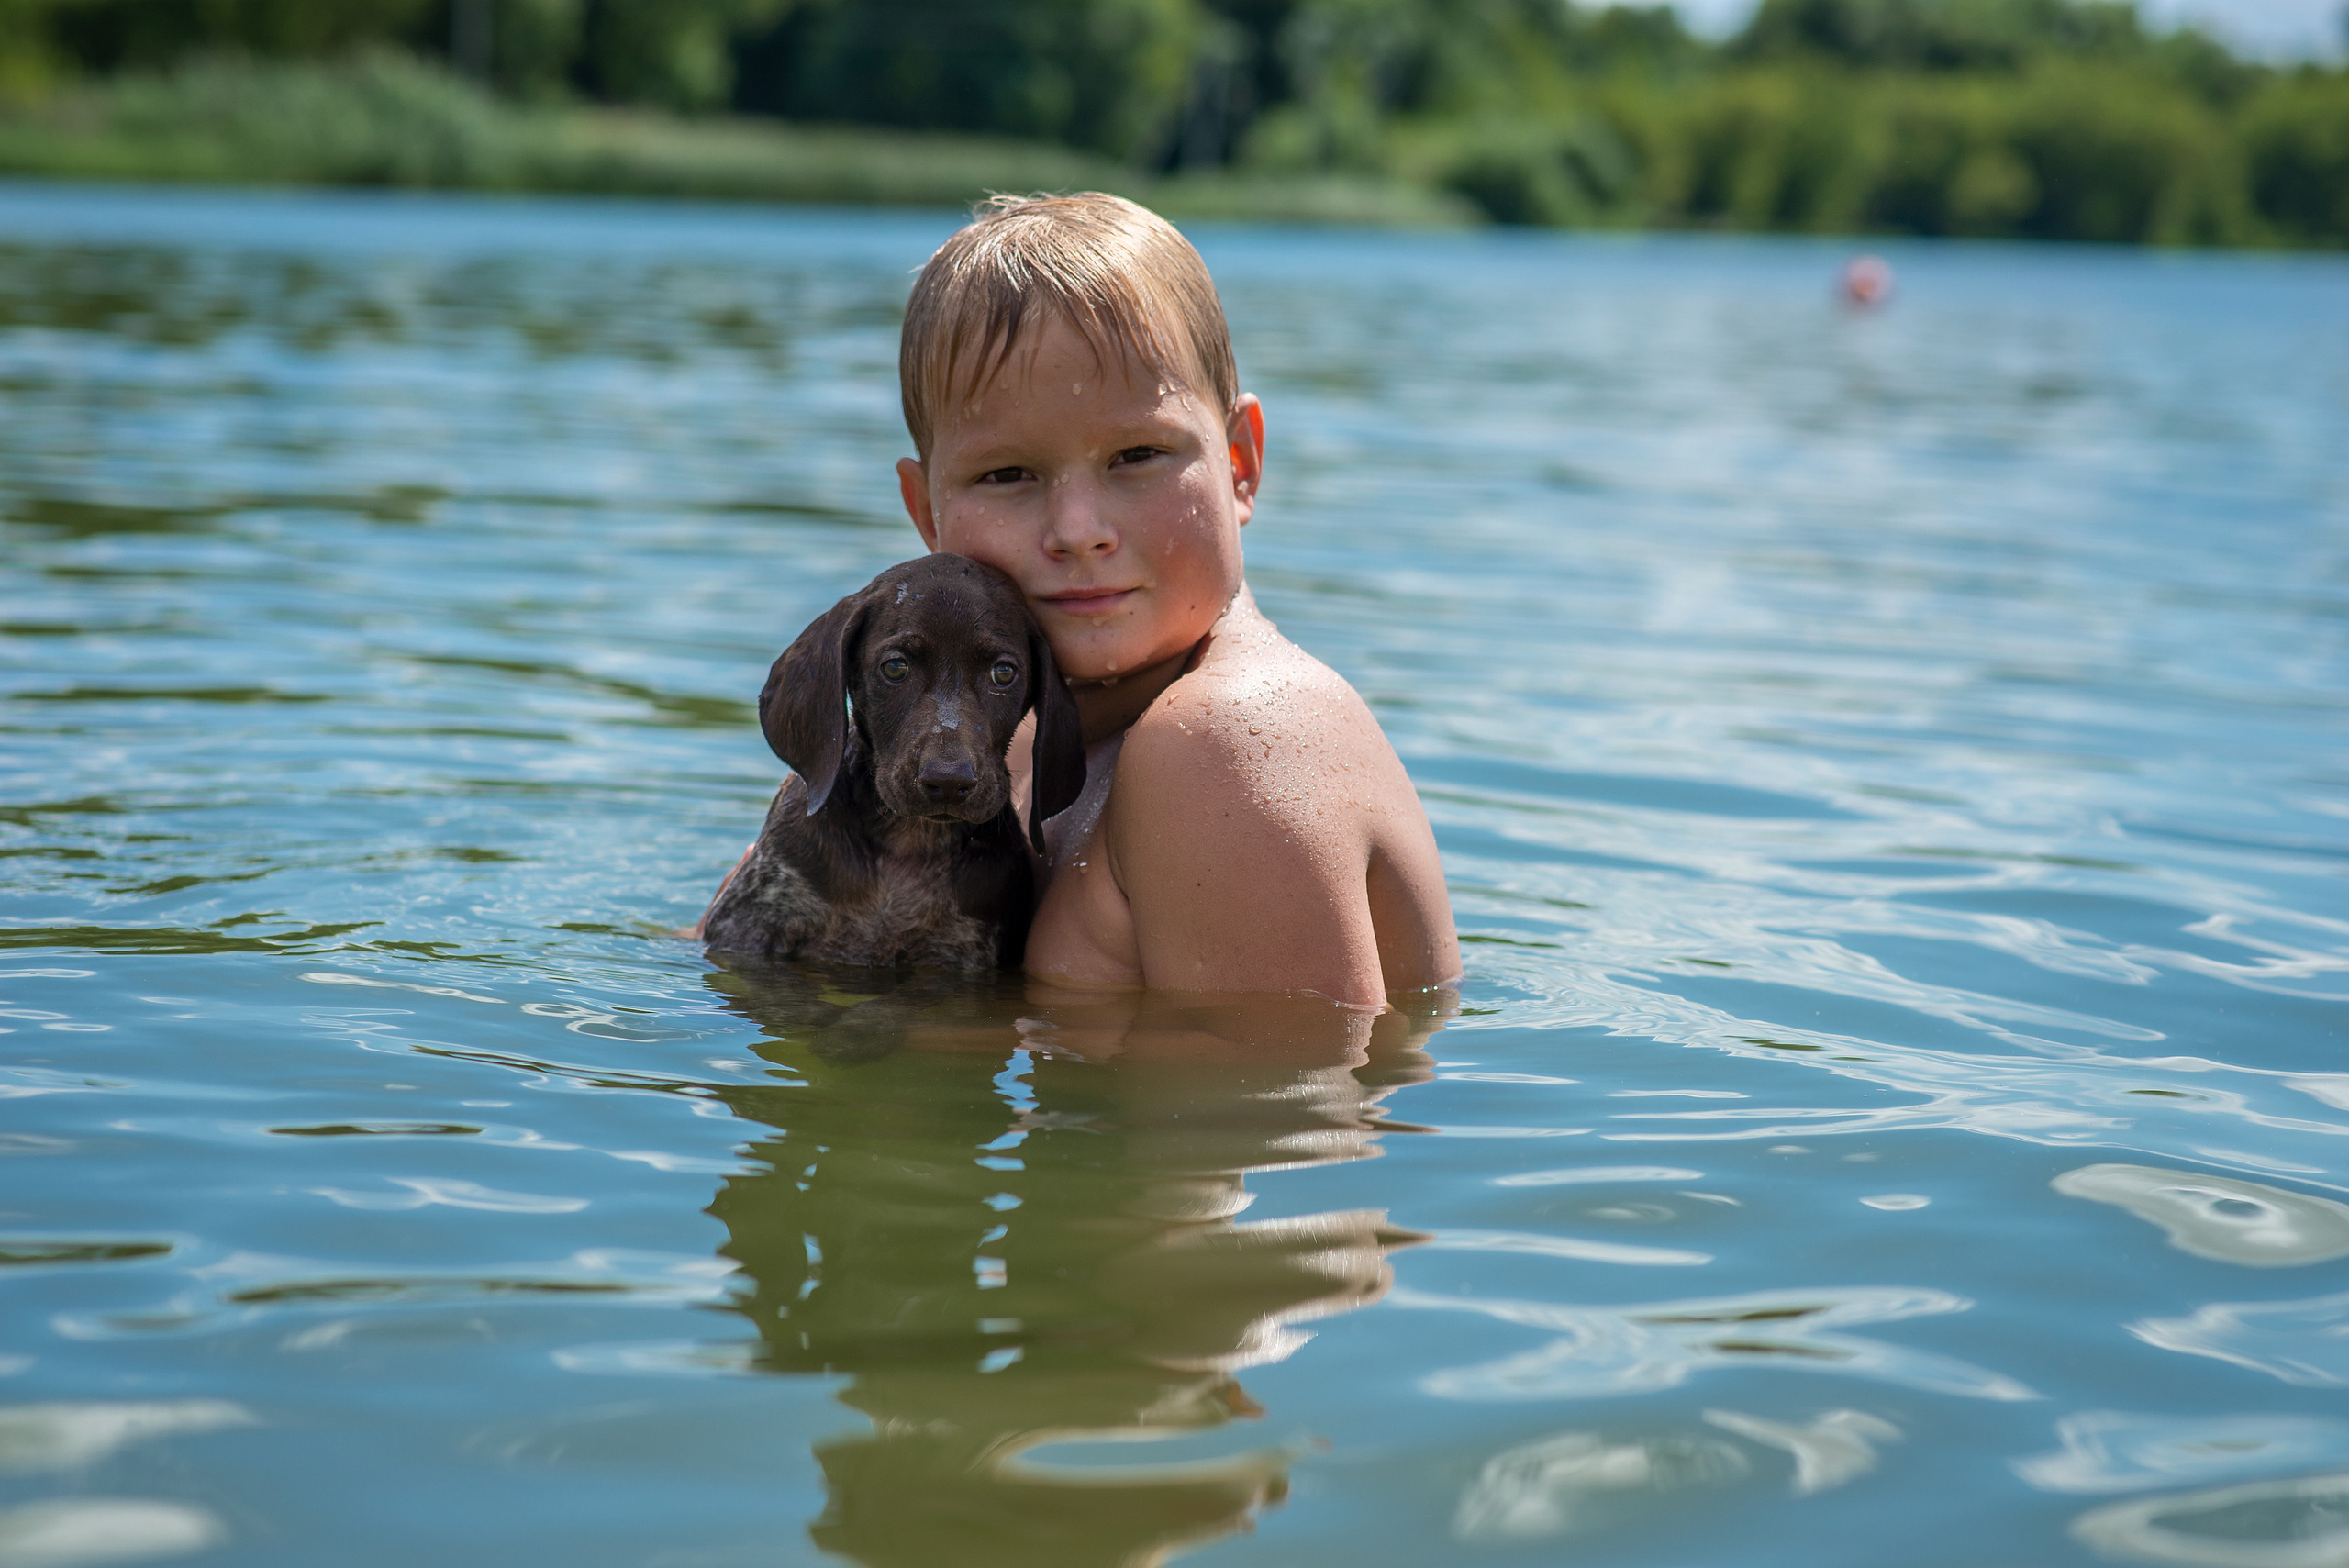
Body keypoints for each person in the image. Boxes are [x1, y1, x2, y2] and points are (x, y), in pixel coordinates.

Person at [890, 192, 1457, 1008]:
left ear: (1240, 463)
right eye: (1006, 474)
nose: (1078, 531)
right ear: (927, 513)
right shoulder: (1004, 744)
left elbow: (1277, 1087)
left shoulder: (1225, 742)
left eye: (1138, 455)